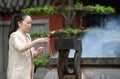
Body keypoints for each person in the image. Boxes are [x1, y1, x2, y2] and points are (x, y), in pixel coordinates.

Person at [7, 13, 49, 79]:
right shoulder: (14, 35)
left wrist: (38, 52)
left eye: (30, 23)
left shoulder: (27, 36)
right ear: (19, 24)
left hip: (28, 73)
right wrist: (37, 41)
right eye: (28, 23)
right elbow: (21, 48)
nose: (30, 25)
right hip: (17, 75)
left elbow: (31, 55)